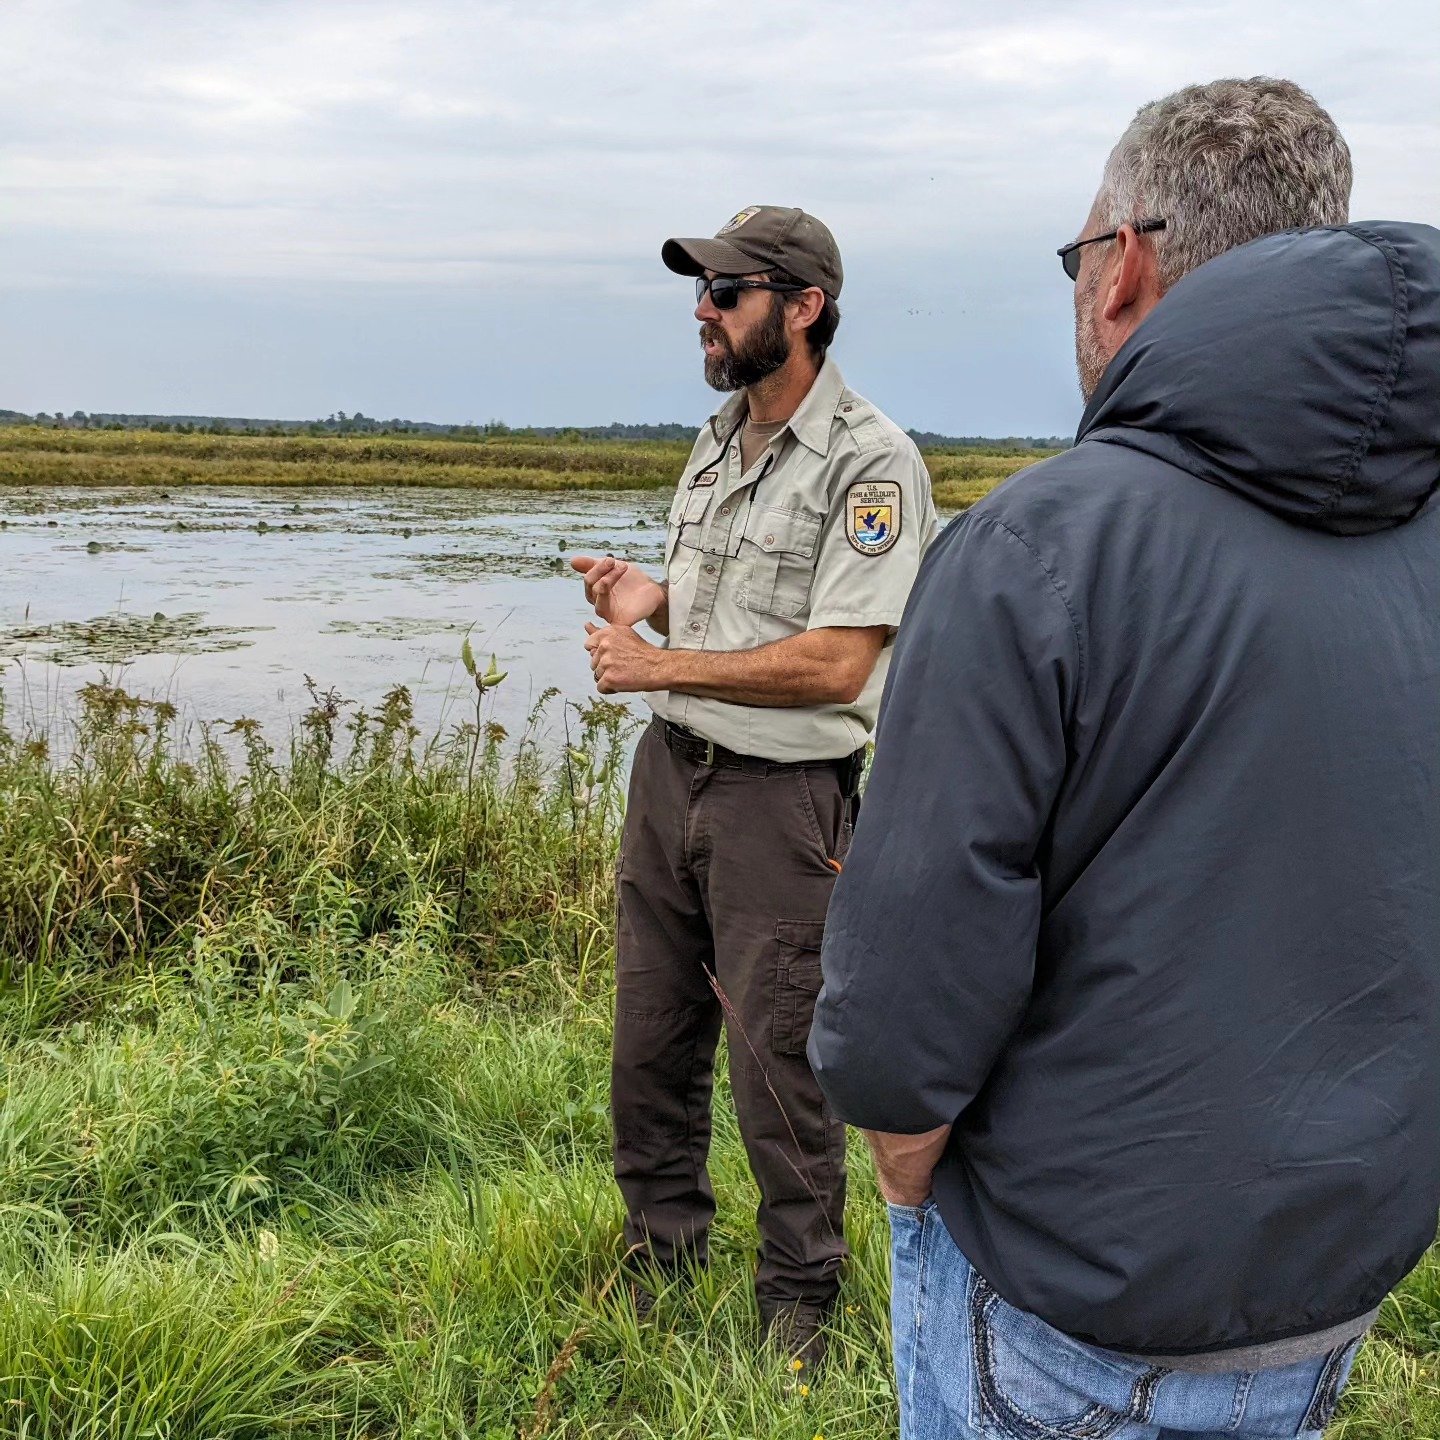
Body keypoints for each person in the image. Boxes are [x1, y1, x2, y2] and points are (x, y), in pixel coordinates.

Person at [810, 77, 1440, 1439]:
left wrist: (909, 1164)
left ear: (1126, 266)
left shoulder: (1042, 548)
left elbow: (904, 999)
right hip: (1340, 1275)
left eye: (1075, 255)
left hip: (1068, 1301)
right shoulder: (1422, 538)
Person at [571, 204, 937, 1365]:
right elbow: (726, 600)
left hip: (782, 802)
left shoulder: (872, 462)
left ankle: (800, 1305)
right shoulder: (720, 437)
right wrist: (649, 597)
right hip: (669, 776)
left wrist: (657, 663)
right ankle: (662, 1253)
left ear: (804, 307)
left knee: (776, 1058)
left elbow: (838, 661)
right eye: (702, 292)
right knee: (649, 1038)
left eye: (726, 294)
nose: (704, 312)